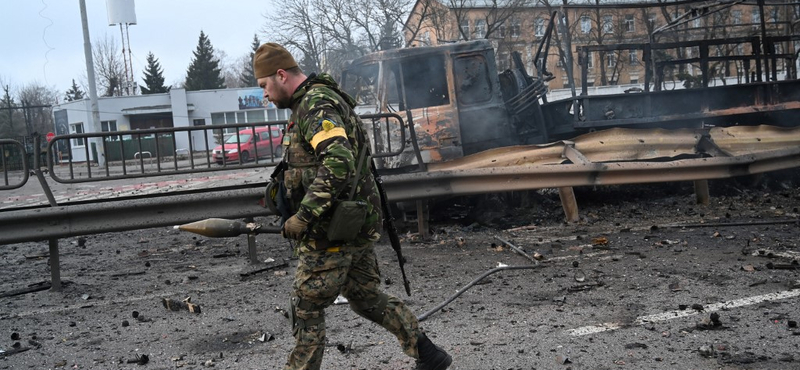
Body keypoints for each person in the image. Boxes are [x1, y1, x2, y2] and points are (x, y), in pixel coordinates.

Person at [254, 43, 452, 370]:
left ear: (281, 75)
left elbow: (338, 164)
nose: (265, 95)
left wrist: (303, 217)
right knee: (365, 297)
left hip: (332, 227)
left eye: (264, 86)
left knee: (307, 304)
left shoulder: (315, 105)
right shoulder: (319, 100)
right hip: (352, 220)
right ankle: (429, 355)